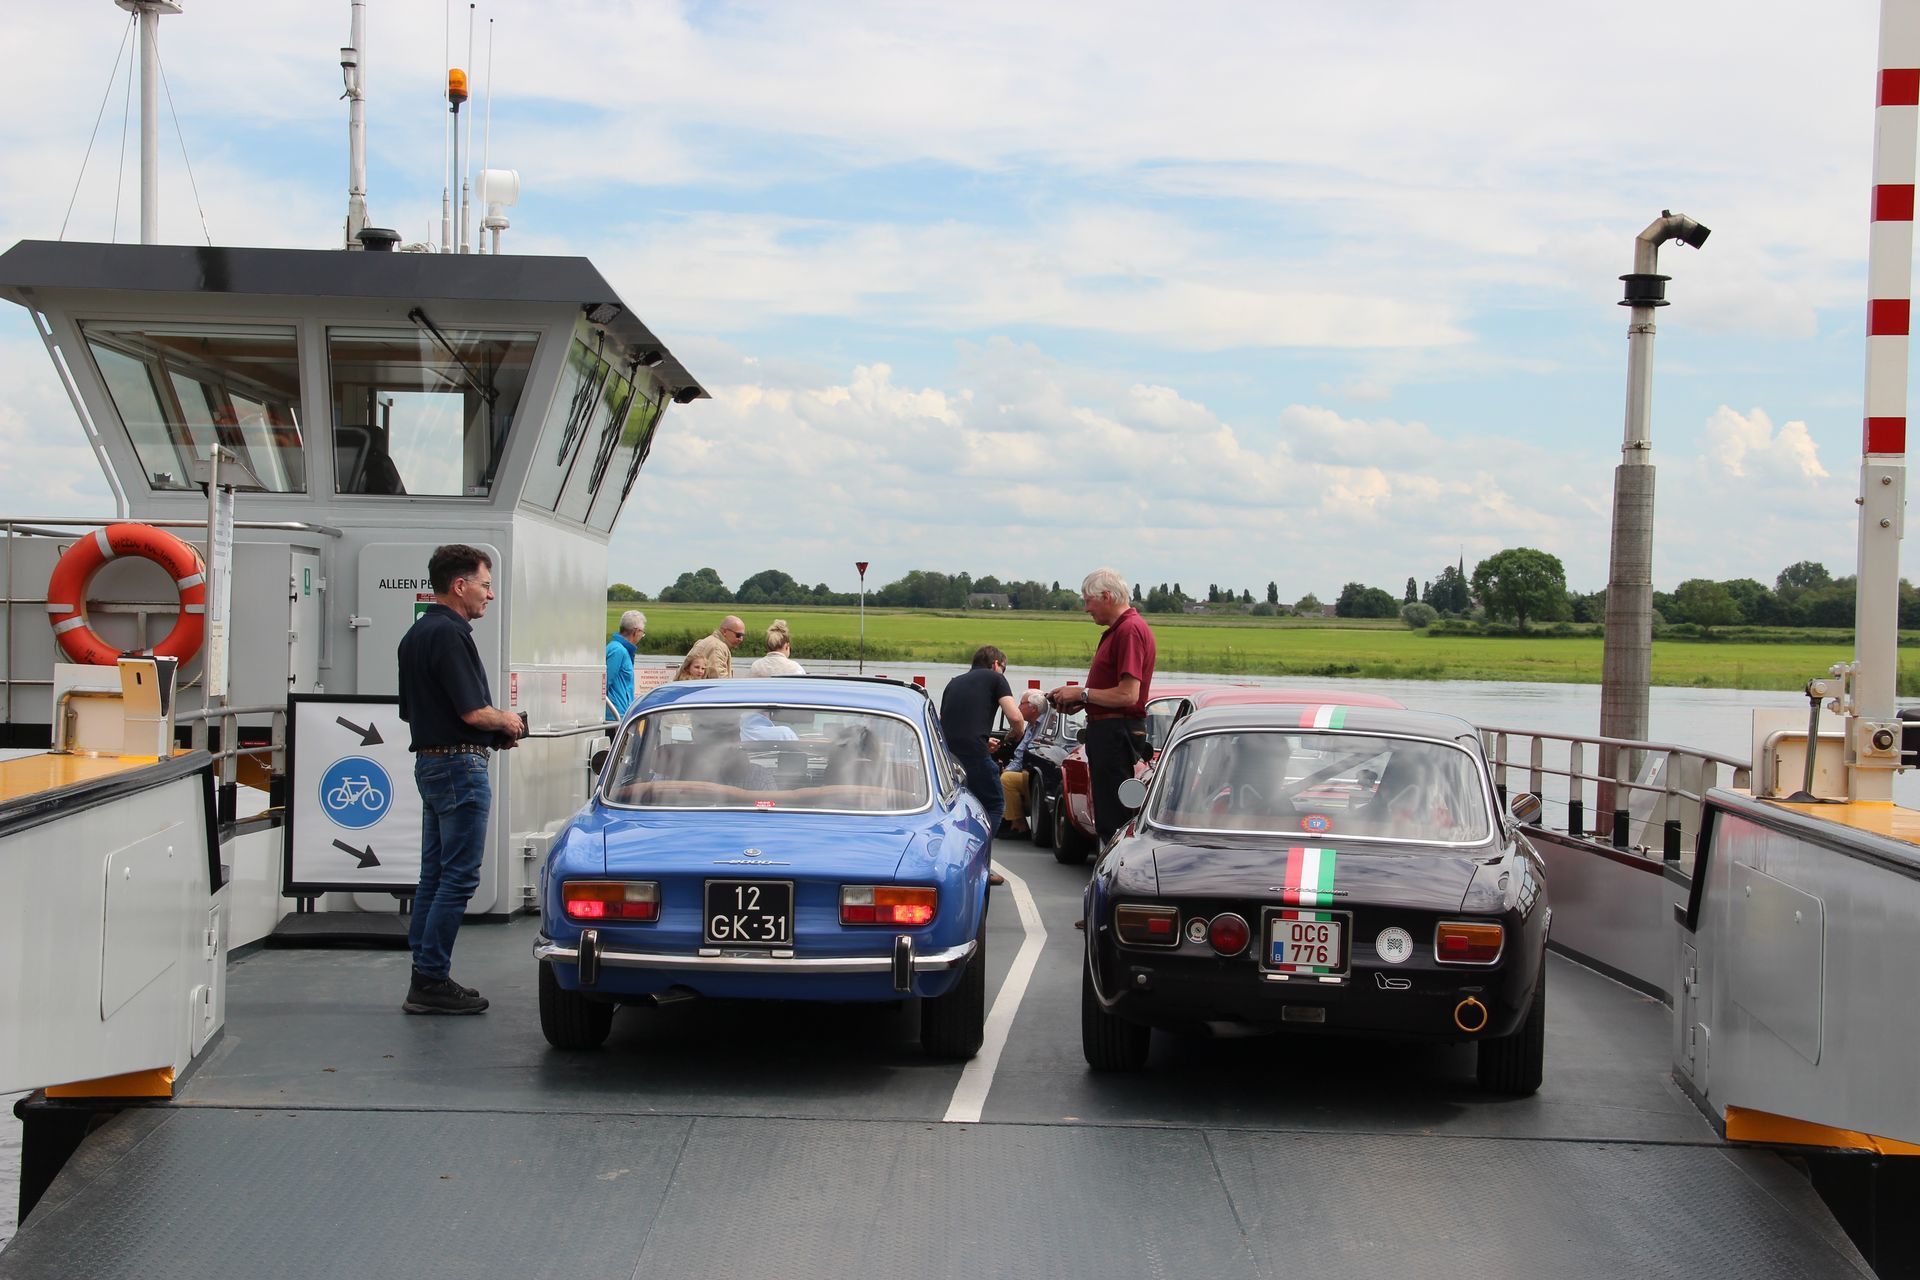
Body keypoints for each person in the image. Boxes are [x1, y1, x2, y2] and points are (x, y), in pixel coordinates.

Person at [396, 543, 526, 1015]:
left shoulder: (415, 635)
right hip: (459, 769)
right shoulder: (451, 635)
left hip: (431, 764)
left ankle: (424, 972)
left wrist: (490, 733)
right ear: (459, 585)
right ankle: (431, 978)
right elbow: (472, 711)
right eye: (485, 585)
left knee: (433, 874)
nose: (489, 595)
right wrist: (507, 722)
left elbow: (416, 712)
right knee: (459, 876)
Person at [1049, 567, 1157, 847]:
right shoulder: (1120, 630)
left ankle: (1112, 867)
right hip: (1110, 730)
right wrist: (1082, 701)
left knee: (1112, 818)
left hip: (1115, 733)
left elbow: (1128, 695)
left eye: (1088, 601)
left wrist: (1083, 694)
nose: (1086, 608)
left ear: (1107, 596)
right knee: (1108, 813)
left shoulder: (1129, 631)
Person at [941, 645, 1026, 884]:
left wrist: (982, 739)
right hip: (974, 756)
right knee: (995, 805)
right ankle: (979, 864)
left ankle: (956, 859)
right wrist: (1017, 733)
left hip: (949, 757)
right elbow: (1015, 716)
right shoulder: (995, 678)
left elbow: (947, 721)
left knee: (960, 810)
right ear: (996, 664)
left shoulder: (954, 683)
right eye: (1003, 668)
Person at [997, 689, 1049, 837]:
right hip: (1030, 771)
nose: (1018, 707)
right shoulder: (1032, 725)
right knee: (1001, 774)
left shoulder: (1044, 726)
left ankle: (1019, 825)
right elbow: (1020, 754)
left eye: (1021, 703)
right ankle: (1010, 821)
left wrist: (1007, 770)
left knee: (1007, 779)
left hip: (1036, 773)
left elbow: (1025, 757)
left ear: (1033, 708)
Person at [604, 609, 646, 721]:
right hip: (614, 717)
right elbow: (604, 684)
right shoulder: (618, 651)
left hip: (619, 714)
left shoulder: (620, 649)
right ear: (636, 632)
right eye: (642, 633)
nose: (641, 636)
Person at [685, 614, 746, 680]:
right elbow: (719, 679)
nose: (741, 639)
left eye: (743, 636)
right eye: (738, 635)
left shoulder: (706, 641)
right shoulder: (717, 647)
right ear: (725, 631)